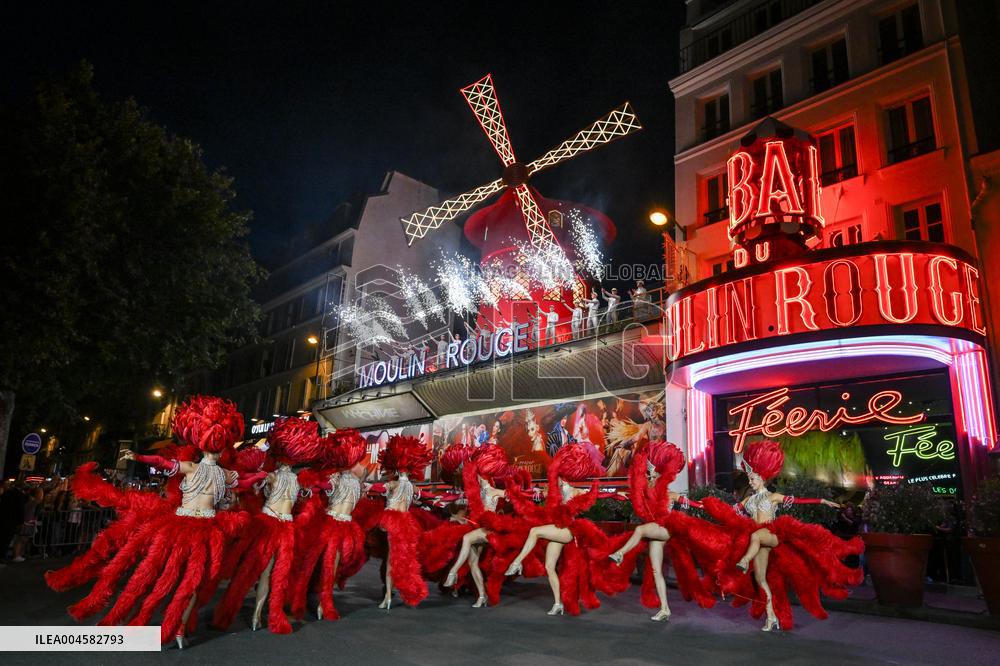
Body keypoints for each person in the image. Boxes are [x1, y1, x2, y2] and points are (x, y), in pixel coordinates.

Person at [46, 396, 247, 647]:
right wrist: (140, 458)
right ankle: (174, 625)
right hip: (189, 527)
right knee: (170, 577)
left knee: (180, 579)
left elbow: (165, 463)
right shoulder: (205, 470)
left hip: (200, 529)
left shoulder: (209, 471)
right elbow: (164, 463)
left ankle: (176, 625)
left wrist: (140, 457)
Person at [702, 440, 863, 631]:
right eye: (750, 479)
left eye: (753, 479)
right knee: (762, 579)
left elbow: (799, 501)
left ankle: (745, 561)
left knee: (756, 536)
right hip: (758, 540)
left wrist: (822, 500)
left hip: (772, 534)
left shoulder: (773, 497)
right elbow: (729, 510)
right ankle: (771, 617)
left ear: (762, 477)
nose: (750, 482)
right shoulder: (749, 499)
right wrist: (703, 504)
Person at [211, 417, 329, 634]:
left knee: (262, 571)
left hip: (273, 524)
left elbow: (250, 482)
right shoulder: (297, 480)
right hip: (280, 527)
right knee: (275, 573)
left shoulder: (275, 477)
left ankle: (257, 615)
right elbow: (315, 491)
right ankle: (262, 613)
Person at [605, 442, 724, 621]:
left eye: (651, 468)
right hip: (656, 531)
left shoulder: (666, 490)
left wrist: (708, 506)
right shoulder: (648, 488)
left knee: (639, 530)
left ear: (658, 469)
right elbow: (634, 494)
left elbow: (689, 503)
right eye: (648, 468)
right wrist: (618, 494)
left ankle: (621, 554)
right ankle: (665, 609)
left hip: (666, 527)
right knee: (655, 571)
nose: (648, 471)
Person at [503, 444, 606, 615]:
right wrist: (518, 492)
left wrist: (619, 494)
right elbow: (534, 495)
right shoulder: (554, 491)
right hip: (556, 530)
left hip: (567, 531)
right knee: (550, 566)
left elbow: (596, 495)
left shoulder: (573, 490)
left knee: (534, 531)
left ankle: (516, 563)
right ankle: (558, 603)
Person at [289, 429, 373, 622]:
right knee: (322, 564)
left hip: (339, 526)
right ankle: (318, 602)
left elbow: (325, 489)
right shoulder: (345, 479)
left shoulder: (345, 479)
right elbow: (324, 489)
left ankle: (312, 601)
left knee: (321, 564)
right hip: (334, 525)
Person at [377, 435, 433, 609]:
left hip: (394, 521)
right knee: (402, 558)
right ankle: (392, 593)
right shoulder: (412, 487)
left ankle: (388, 596)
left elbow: (379, 488)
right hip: (406, 523)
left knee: (392, 559)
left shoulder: (394, 484)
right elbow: (427, 497)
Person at [11, 486, 42, 561]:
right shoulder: (31, 501)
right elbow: (39, 499)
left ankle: (19, 554)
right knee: (21, 539)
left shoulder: (31, 501)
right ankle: (16, 555)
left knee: (24, 540)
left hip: (28, 522)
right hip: (26, 522)